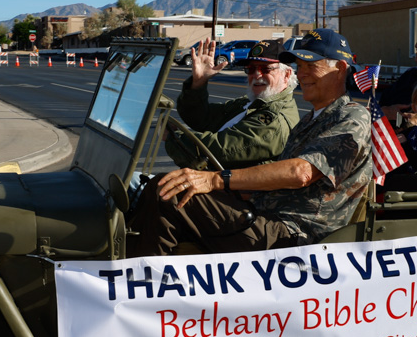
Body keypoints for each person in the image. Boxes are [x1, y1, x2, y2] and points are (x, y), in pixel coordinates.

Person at [128, 29, 372, 257]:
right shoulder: (309, 120)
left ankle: (143, 286)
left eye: (310, 66)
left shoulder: (352, 116)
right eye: (299, 66)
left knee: (167, 192)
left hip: (296, 236)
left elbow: (301, 173)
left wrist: (214, 180)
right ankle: (147, 279)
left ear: (340, 69)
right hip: (265, 215)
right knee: (172, 189)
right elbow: (203, 118)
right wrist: (214, 187)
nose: (302, 73)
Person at [168, 38, 299, 169]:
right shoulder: (251, 103)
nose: (257, 75)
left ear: (286, 74)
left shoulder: (275, 118)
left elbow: (219, 150)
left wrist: (174, 138)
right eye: (251, 69)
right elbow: (202, 117)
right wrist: (198, 82)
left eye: (266, 69)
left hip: (230, 187)